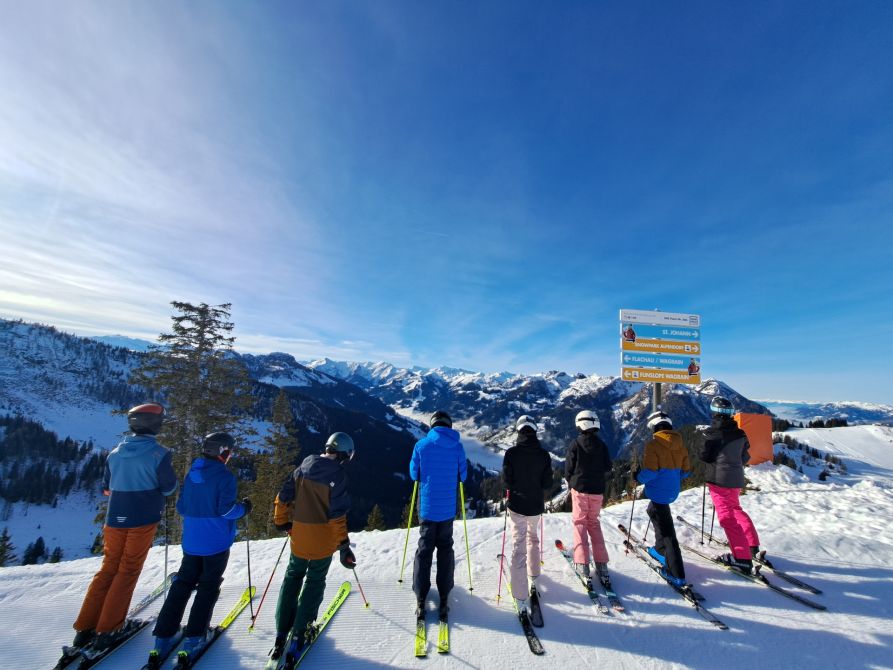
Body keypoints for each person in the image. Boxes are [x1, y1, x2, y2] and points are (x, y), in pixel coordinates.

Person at [70, 403, 178, 651]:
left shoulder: (115, 453)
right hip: (142, 518)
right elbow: (168, 488)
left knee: (108, 568)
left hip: (114, 519)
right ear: (156, 425)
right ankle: (109, 628)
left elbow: (107, 488)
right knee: (128, 570)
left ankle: (84, 627)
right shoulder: (159, 454)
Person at [149, 432, 250, 664]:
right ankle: (194, 638)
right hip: (216, 543)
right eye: (229, 451)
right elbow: (226, 510)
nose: (230, 455)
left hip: (192, 542)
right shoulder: (225, 476)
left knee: (182, 584)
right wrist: (244, 509)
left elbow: (182, 508)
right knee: (207, 587)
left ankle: (163, 637)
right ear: (223, 452)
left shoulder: (192, 473)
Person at [269, 432, 356, 668]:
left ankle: (281, 632)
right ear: (344, 454)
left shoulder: (305, 464)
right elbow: (337, 516)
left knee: (292, 577)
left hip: (299, 537)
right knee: (314, 581)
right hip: (323, 541)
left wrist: (281, 521)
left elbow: (284, 495)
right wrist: (344, 546)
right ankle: (300, 633)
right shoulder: (337, 475)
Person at [410, 410, 467, 621]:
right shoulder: (458, 447)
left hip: (427, 509)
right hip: (447, 510)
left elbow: (414, 474)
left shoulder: (421, 445)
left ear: (432, 425)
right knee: (445, 548)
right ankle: (444, 595)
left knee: (424, 550)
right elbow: (463, 476)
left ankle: (420, 596)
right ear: (449, 425)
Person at [700, 396, 762, 573]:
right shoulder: (740, 433)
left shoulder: (713, 434)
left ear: (714, 413)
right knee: (735, 509)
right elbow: (745, 457)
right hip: (736, 479)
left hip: (719, 481)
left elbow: (705, 456)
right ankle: (751, 544)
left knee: (727, 518)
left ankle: (742, 558)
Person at [503, 415, 552, 614]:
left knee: (519, 545)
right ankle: (534, 574)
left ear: (518, 431)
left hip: (517, 505)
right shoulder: (544, 455)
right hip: (535, 506)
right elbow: (548, 483)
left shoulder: (511, 453)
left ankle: (520, 594)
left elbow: (507, 481)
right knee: (533, 537)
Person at [637, 411, 691, 587]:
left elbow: (650, 472)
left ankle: (676, 573)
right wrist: (672, 477)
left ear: (654, 427)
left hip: (657, 491)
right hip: (672, 491)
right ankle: (660, 550)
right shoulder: (680, 444)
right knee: (655, 512)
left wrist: (637, 477)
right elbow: (686, 471)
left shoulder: (653, 445)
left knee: (667, 531)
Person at [564, 410, 613, 586]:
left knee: (580, 524)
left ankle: (582, 564)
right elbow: (608, 467)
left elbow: (568, 468)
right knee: (593, 524)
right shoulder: (602, 445)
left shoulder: (576, 444)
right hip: (597, 491)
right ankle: (602, 565)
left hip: (580, 490)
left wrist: (572, 481)